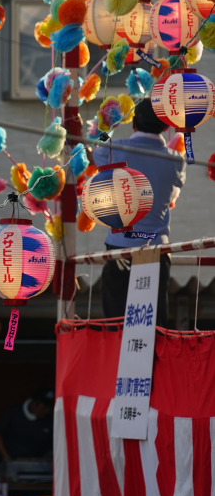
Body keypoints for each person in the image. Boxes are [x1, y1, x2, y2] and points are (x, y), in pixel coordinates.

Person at [92, 98, 186, 327]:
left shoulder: (112, 150)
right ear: (166, 127)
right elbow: (176, 189)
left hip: (119, 250)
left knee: (118, 326)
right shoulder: (175, 159)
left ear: (133, 124)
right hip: (157, 250)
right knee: (154, 328)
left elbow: (97, 148)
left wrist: (107, 126)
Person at [0, 388, 54, 463]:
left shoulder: (50, 420)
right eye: (45, 407)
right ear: (35, 403)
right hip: (11, 462)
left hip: (36, 465)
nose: (47, 411)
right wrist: (7, 459)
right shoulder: (14, 413)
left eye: (50, 407)